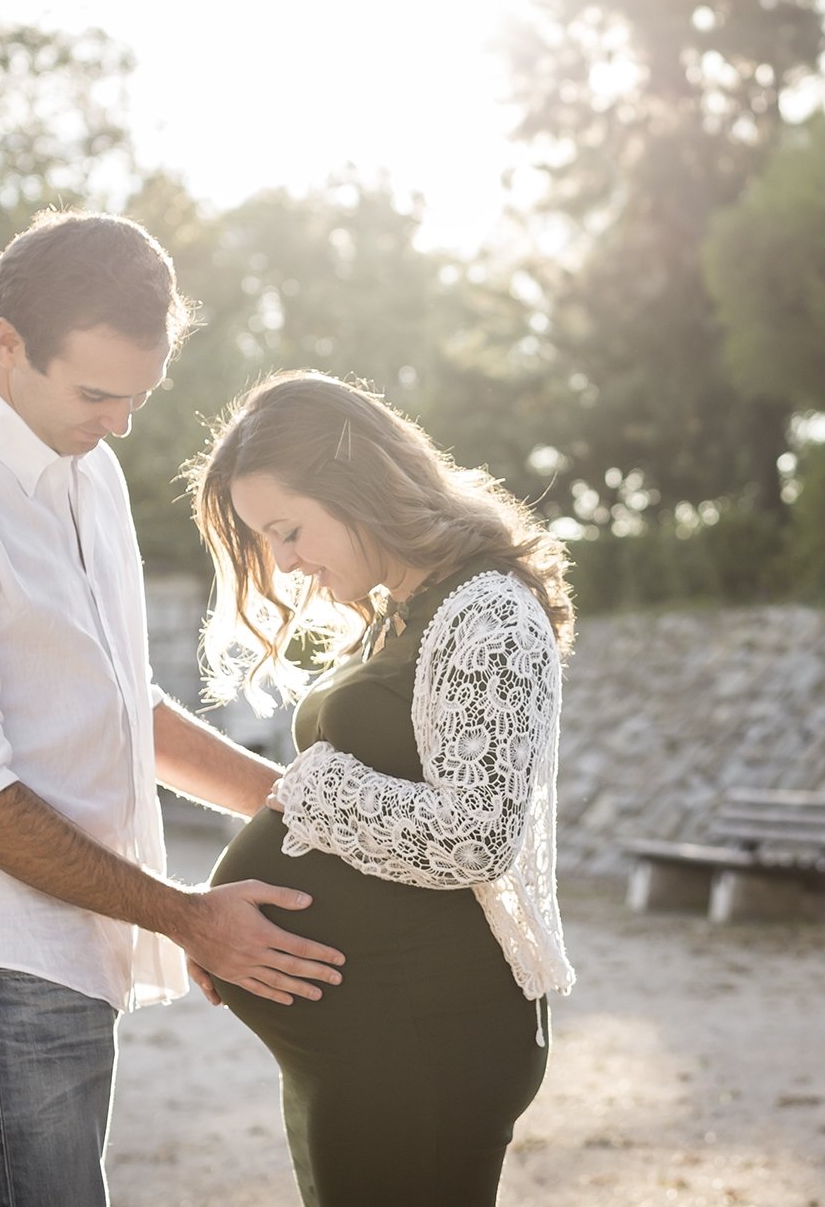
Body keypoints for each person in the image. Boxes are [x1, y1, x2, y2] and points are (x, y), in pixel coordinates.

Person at [0, 212, 345, 1207]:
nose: (119, 421)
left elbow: (120, 707)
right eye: (97, 392)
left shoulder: (89, 470)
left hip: (61, 948)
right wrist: (192, 918)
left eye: (138, 397)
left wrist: (297, 807)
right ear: (7, 344)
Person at [185, 370, 577, 1207]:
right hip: (363, 1048)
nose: (283, 563)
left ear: (357, 483)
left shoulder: (491, 613)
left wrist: (314, 788)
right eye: (267, 540)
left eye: (289, 530)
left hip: (426, 1041)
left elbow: (477, 835)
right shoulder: (395, 611)